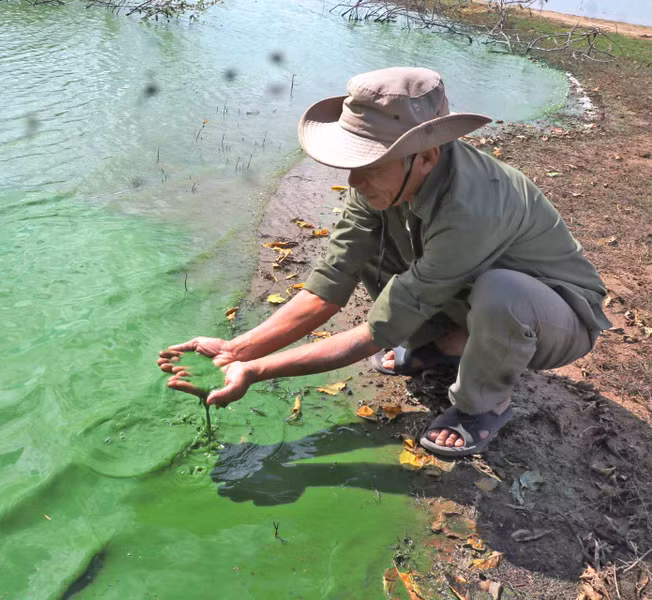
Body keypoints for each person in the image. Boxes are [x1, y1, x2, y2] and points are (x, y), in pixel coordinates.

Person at [158, 67, 610, 457]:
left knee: (502, 294)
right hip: (464, 291)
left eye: (370, 163)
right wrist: (239, 349)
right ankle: (444, 344)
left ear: (427, 156)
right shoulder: (383, 183)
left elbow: (379, 330)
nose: (354, 179)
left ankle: (484, 404)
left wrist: (258, 371)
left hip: (556, 316)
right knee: (374, 252)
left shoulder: (473, 207)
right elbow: (331, 281)